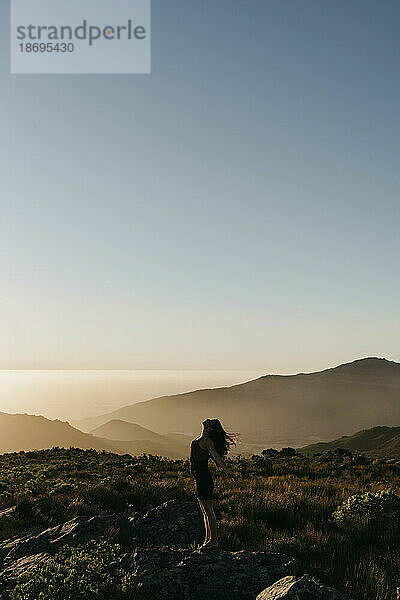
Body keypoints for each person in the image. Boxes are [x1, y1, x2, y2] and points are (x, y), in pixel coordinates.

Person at [190, 418, 236, 549]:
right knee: (205, 511)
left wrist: (227, 470)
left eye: (210, 422)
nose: (207, 419)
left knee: (209, 511)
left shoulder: (207, 441)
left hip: (204, 479)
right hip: (198, 478)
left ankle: (213, 541)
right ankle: (207, 540)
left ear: (210, 428)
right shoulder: (201, 438)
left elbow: (216, 456)